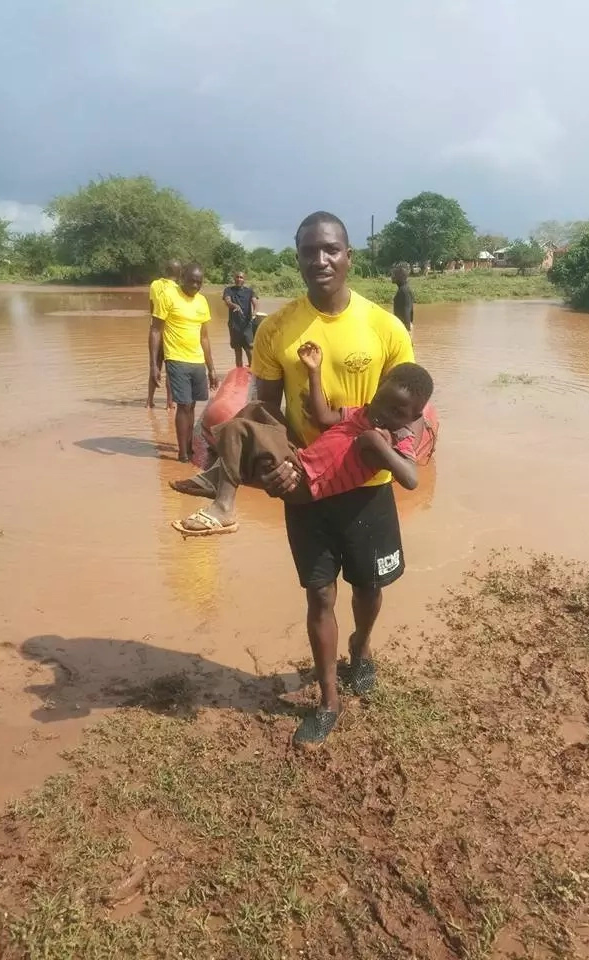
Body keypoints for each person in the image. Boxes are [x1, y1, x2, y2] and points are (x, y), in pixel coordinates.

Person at [248, 211, 415, 748]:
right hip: (309, 484)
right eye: (308, 251)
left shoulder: (385, 327)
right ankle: (327, 701)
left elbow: (409, 409)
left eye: (331, 250)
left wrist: (404, 453)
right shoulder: (275, 328)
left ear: (349, 256)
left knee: (368, 586)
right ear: (296, 257)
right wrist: (274, 462)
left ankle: (361, 651)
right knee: (319, 594)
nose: (320, 260)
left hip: (367, 489)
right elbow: (264, 409)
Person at [172, 346, 433, 536]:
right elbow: (323, 416)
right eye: (381, 402)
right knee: (260, 409)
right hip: (299, 459)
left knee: (237, 430)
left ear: (415, 416)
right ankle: (217, 478)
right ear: (376, 392)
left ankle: (224, 507)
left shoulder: (397, 438)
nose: (383, 414)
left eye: (398, 413)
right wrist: (314, 371)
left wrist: (374, 442)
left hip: (305, 482)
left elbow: (411, 479)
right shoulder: (360, 413)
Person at [150, 263, 218, 462]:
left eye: (199, 282)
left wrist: (211, 368)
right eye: (192, 281)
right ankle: (182, 454)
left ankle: (189, 447)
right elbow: (155, 331)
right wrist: (154, 365)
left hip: (197, 361)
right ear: (182, 278)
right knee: (184, 405)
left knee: (193, 405)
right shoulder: (168, 296)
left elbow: (204, 337)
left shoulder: (202, 302)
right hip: (176, 359)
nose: (195, 285)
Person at [146, 259, 181, 408]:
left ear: (165, 271)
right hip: (170, 334)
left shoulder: (154, 285)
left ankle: (149, 401)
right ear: (179, 273)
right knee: (170, 369)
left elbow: (152, 309)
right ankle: (169, 403)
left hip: (155, 331)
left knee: (154, 366)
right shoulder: (178, 290)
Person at [223, 271, 258, 368]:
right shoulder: (228, 290)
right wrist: (234, 305)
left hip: (247, 325)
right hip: (234, 325)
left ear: (244, 279)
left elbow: (255, 303)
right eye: (237, 277)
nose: (239, 279)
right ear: (234, 278)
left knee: (249, 349)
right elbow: (227, 301)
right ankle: (239, 373)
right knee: (237, 351)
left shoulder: (249, 291)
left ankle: (252, 370)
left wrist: (254, 313)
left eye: (241, 277)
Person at [391, 262, 414, 335]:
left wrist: (407, 334)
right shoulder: (403, 290)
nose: (392, 276)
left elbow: (406, 313)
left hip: (404, 331)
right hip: (403, 330)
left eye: (395, 274)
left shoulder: (404, 291)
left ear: (401, 276)